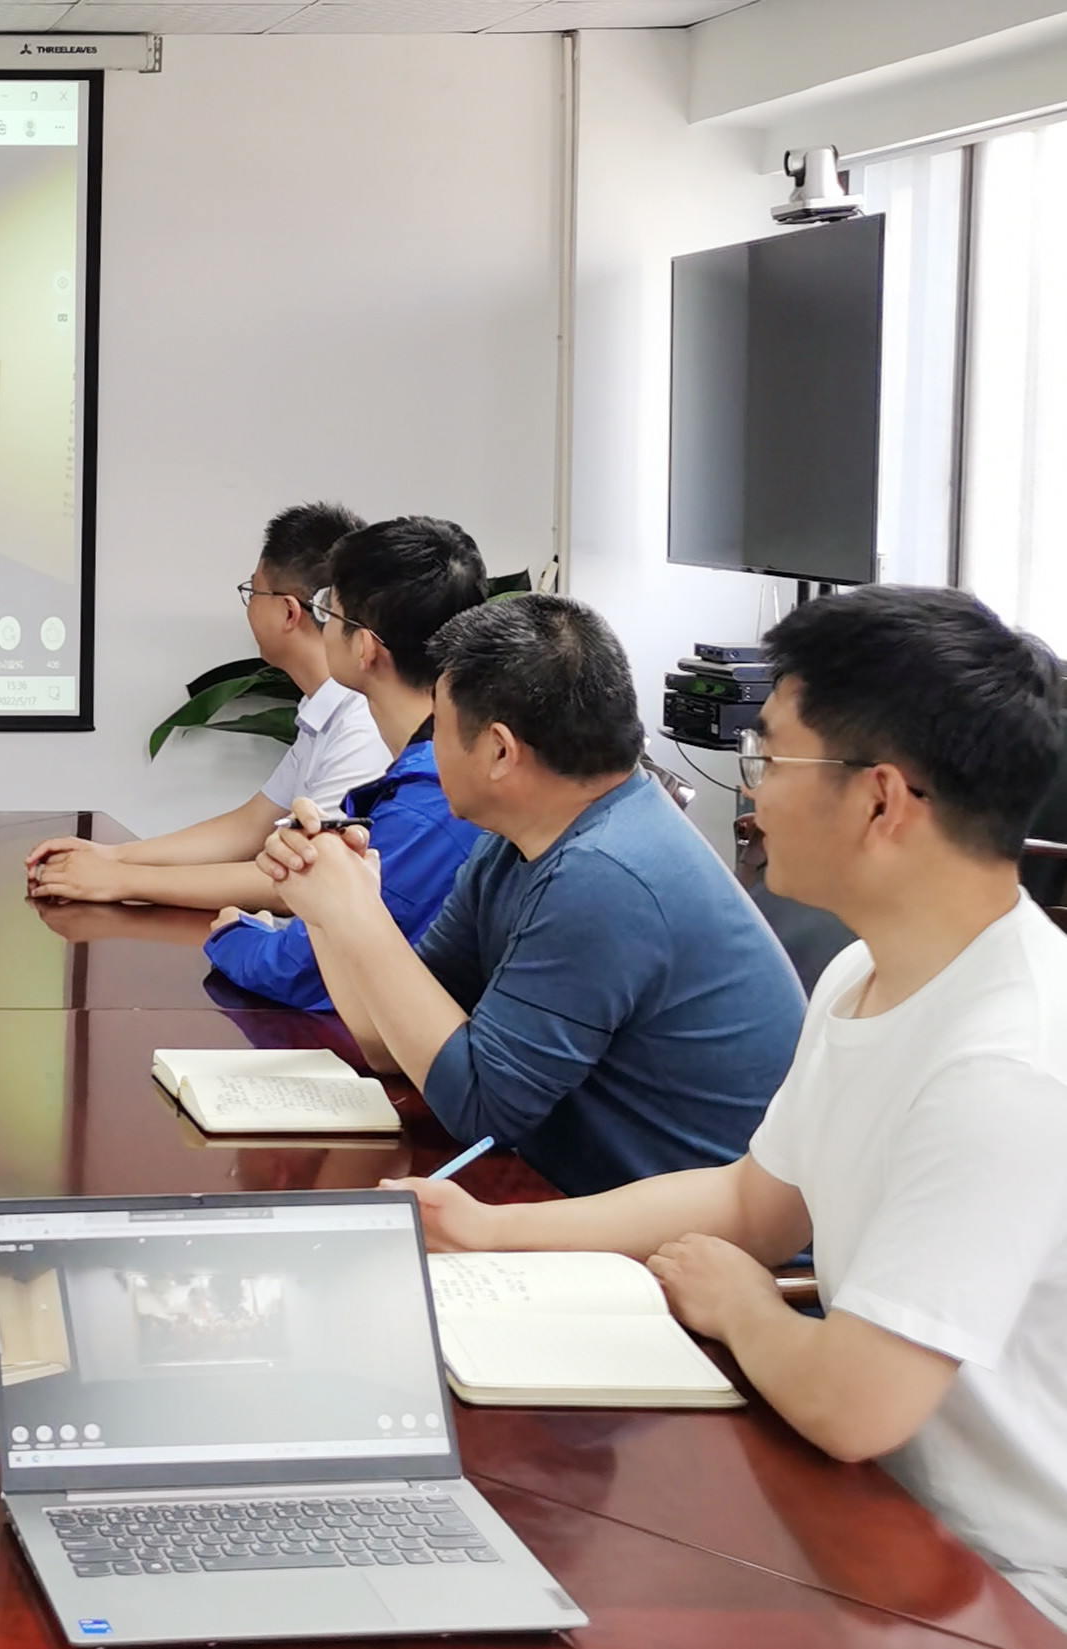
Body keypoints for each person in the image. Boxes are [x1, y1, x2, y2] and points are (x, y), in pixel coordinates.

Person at [389, 586, 1067, 1625]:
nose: (749, 797)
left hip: (1000, 1579)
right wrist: (486, 1230)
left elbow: (852, 1403)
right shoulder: (866, 972)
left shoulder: (1004, 1062)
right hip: (874, 1504)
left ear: (879, 800)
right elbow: (753, 1201)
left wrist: (741, 1302)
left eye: (770, 757)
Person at [259, 595, 801, 1195]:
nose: (429, 748)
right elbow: (394, 1044)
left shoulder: (604, 874)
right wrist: (325, 902)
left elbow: (479, 1109)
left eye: (438, 727)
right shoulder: (518, 841)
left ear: (499, 750)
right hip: (575, 1196)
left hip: (686, 1239)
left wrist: (358, 911)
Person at [27, 503, 388, 911]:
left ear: (288, 612)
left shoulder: (363, 726)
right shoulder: (324, 711)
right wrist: (113, 856)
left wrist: (120, 880)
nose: (249, 606)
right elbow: (249, 827)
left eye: (253, 592)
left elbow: (309, 880)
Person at [199, 516, 491, 1009]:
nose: (321, 628)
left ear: (364, 648)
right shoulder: (447, 767)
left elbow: (303, 972)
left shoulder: (428, 802)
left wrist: (234, 935)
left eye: (329, 614)